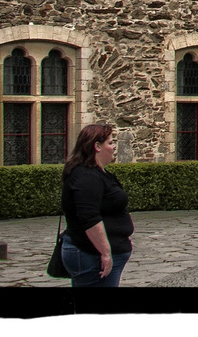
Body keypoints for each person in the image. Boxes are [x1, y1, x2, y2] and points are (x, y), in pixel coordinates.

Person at [61, 123, 134, 287]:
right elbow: (89, 218)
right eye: (110, 142)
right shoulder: (85, 176)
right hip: (90, 255)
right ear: (97, 146)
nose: (114, 146)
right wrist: (106, 252)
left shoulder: (98, 172)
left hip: (102, 254)